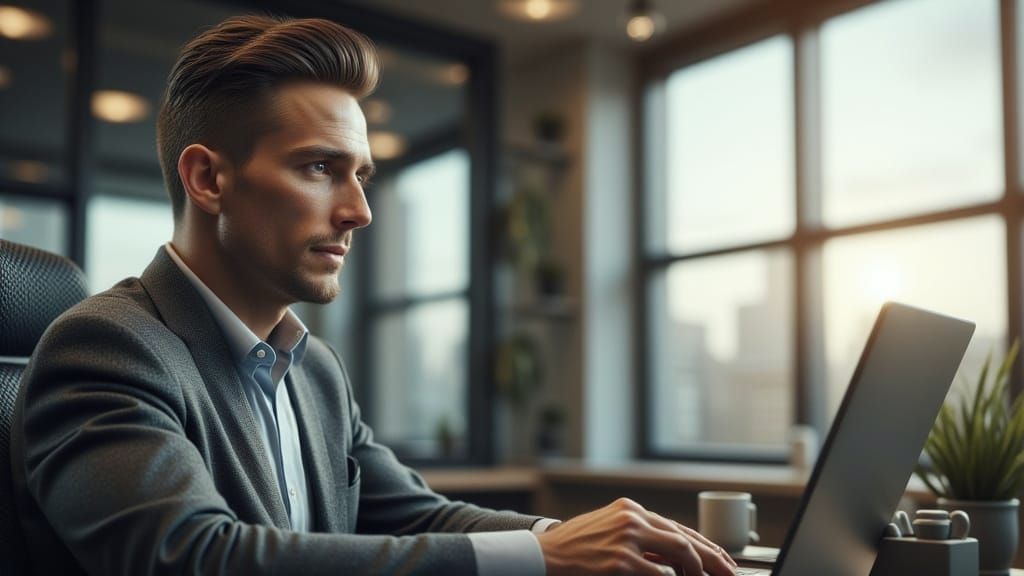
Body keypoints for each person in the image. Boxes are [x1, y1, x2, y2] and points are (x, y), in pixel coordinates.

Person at [10, 15, 738, 576]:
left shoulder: (314, 369)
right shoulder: (107, 346)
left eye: (362, 175)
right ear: (209, 180)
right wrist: (544, 560)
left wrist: (575, 540)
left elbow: (416, 516)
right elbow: (192, 555)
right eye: (321, 168)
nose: (359, 211)